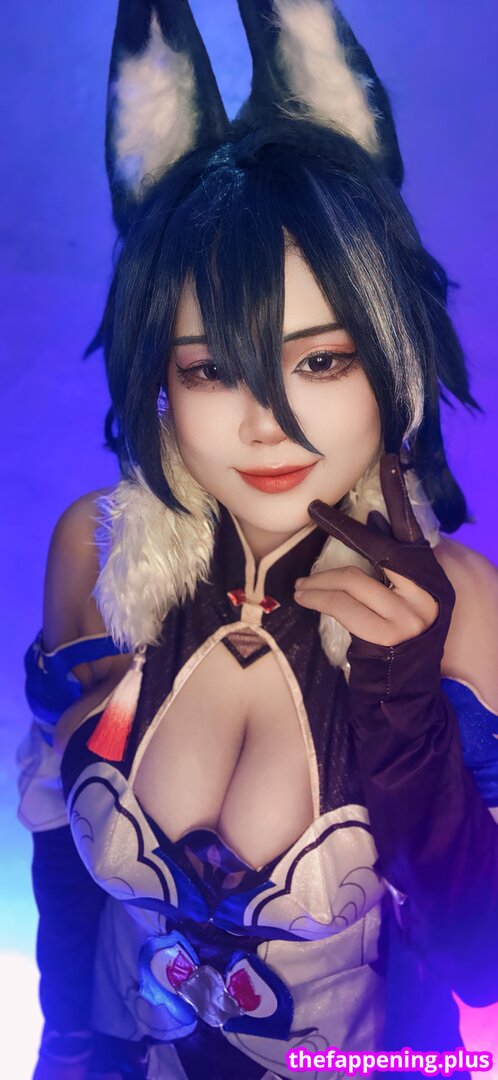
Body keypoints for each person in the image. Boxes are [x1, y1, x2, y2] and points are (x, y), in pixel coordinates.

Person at [17, 1, 498, 1078]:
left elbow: (482, 964)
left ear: (393, 356)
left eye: (321, 361)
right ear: (159, 375)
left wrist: (407, 719)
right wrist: (67, 1048)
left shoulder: (461, 601)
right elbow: (58, 856)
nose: (266, 424)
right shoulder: (97, 549)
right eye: (211, 369)